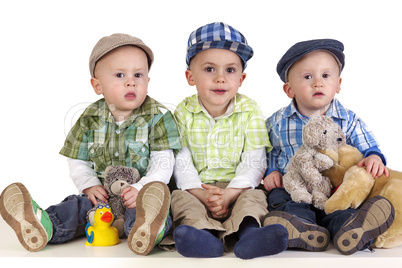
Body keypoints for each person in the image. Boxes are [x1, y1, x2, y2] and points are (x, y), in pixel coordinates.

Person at [0, 33, 181, 255]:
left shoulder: (158, 116)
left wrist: (142, 188)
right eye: (120, 74)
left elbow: (163, 162)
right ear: (98, 85)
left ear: (148, 81)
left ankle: (149, 229)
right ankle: (44, 224)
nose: (131, 81)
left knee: (146, 209)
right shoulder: (89, 117)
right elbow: (78, 158)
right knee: (77, 207)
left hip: (140, 197)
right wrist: (88, 185)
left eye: (138, 74)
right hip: (103, 200)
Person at [262, 38, 395, 255]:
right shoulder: (277, 122)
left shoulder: (347, 119)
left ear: (338, 84)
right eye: (307, 77)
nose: (318, 83)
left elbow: (367, 143)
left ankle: (351, 229)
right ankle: (300, 228)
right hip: (293, 187)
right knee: (285, 202)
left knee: (341, 209)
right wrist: (271, 170)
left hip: (332, 189)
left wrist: (373, 157)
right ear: (289, 89)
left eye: (326, 75)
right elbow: (268, 150)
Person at [169, 22, 288, 259]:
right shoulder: (182, 111)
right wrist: (200, 193)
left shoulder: (249, 110)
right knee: (179, 199)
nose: (221, 78)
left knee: (255, 197)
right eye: (210, 69)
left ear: (241, 78)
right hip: (197, 189)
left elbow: (255, 161)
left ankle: (249, 234)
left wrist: (230, 193)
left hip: (237, 187)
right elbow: (181, 160)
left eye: (230, 70)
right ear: (190, 77)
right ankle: (201, 236)